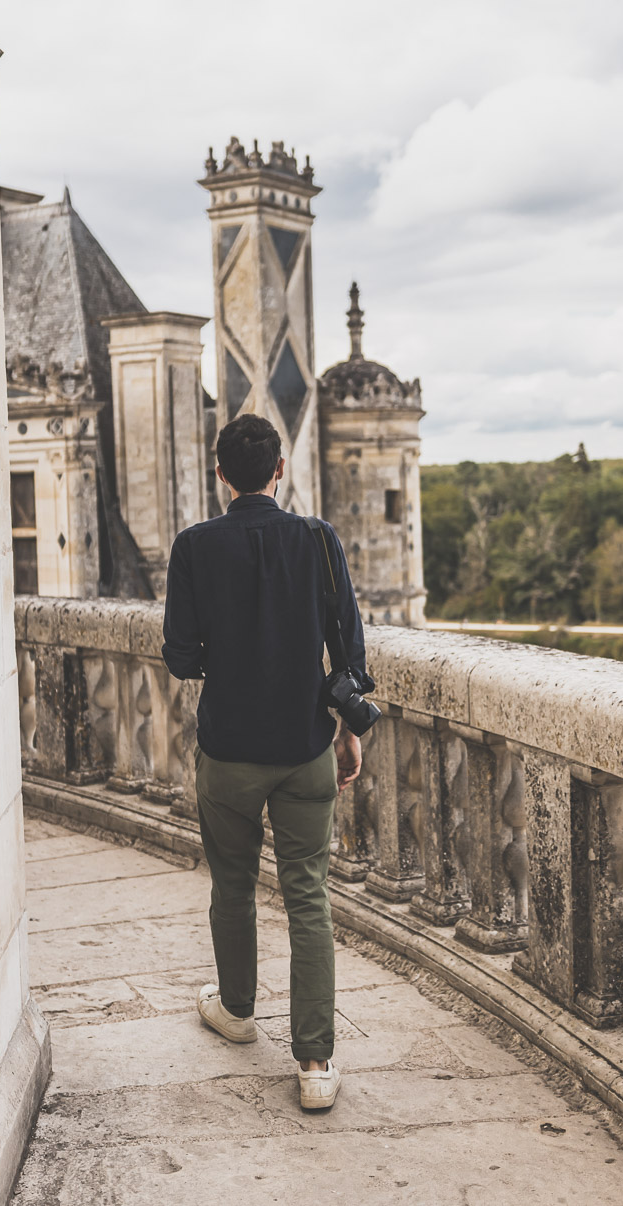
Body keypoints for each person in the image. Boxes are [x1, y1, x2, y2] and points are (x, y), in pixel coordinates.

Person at [162, 413, 375, 1110]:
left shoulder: (194, 547)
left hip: (228, 750)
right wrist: (347, 730)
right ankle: (314, 1065)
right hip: (304, 745)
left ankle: (237, 1010)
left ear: (220, 473)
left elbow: (181, 656)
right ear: (279, 470)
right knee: (308, 896)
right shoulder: (317, 540)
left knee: (231, 884)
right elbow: (348, 648)